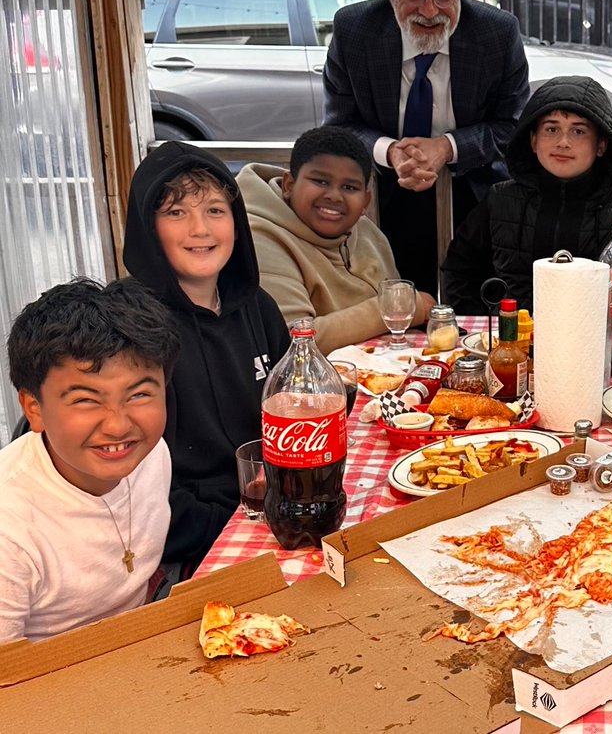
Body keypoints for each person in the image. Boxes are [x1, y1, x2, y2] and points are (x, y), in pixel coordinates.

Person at [323, 0, 531, 295]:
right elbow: (339, 126)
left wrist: (446, 148)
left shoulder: (497, 33)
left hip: (475, 188)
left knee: (476, 309)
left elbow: (514, 125)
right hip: (384, 190)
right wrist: (391, 153)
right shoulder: (355, 30)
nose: (431, 10)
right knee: (395, 305)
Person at [124, 141, 291, 576]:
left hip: (269, 505)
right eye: (176, 213)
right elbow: (135, 490)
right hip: (190, 539)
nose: (201, 229)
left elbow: (293, 409)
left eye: (216, 210)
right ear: (147, 227)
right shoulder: (129, 330)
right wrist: (235, 523)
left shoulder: (258, 306)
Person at [0, 278, 180, 642]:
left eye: (140, 394)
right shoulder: (9, 530)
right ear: (33, 408)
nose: (118, 425)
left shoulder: (150, 453)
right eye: (85, 399)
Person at [441, 75, 612, 313]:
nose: (563, 142)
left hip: (601, 342)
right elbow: (459, 272)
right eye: (551, 129)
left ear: (601, 144)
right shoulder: (499, 200)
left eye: (578, 132)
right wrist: (489, 327)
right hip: (509, 342)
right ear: (533, 140)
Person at [237, 126, 437, 354]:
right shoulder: (261, 238)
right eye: (320, 181)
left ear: (366, 201)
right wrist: (401, 308)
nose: (334, 195)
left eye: (349, 187)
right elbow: (294, 340)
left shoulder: (368, 232)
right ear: (289, 185)